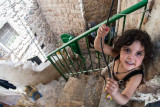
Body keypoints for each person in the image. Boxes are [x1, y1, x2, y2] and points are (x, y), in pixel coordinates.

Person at [94, 24, 154, 105]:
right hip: (110, 78)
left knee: (110, 95)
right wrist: (100, 36)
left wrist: (115, 93)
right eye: (127, 50)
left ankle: (110, 96)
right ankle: (109, 94)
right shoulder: (117, 54)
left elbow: (125, 99)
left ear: (145, 56)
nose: (131, 57)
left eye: (139, 53)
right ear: (120, 49)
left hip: (119, 89)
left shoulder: (136, 76)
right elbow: (99, 47)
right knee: (108, 89)